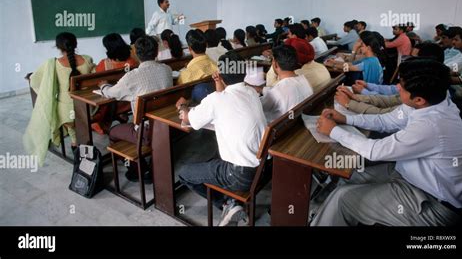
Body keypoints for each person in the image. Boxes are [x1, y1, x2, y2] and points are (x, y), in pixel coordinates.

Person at [313, 59, 462, 226]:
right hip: (412, 175)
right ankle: (329, 215)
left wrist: (333, 131)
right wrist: (346, 118)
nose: (397, 88)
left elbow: (375, 151)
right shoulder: (430, 100)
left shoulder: (432, 125)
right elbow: (385, 121)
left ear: (419, 99)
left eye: (401, 86)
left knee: (342, 199)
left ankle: (333, 215)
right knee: (351, 175)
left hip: (434, 204)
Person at [176, 52, 267, 226]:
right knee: (217, 152)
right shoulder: (251, 92)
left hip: (239, 176)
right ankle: (231, 202)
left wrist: (182, 106)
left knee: (184, 173)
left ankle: (227, 204)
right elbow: (224, 102)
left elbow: (190, 120)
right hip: (260, 167)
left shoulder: (216, 100)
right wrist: (220, 83)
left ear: (222, 74)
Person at [99, 36, 173, 181]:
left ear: (137, 54)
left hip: (146, 132)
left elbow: (111, 93)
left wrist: (103, 85)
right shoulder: (166, 69)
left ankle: (138, 170)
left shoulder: (132, 76)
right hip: (166, 124)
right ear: (157, 52)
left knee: (113, 130)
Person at [24, 32, 95, 162]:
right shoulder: (88, 60)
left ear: (58, 47)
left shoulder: (53, 64)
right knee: (74, 117)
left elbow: (35, 81)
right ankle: (82, 147)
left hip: (67, 112)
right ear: (75, 44)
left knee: (61, 111)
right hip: (88, 108)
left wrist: (30, 77)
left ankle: (75, 144)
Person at [93, 33, 139, 135]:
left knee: (101, 98)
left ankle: (99, 122)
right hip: (129, 101)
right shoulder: (133, 62)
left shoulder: (103, 65)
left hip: (113, 103)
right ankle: (120, 116)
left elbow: (97, 81)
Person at [266, 24, 331, 91]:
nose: (287, 35)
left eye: (289, 33)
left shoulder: (296, 77)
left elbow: (270, 87)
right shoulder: (321, 67)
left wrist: (275, 61)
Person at [260, 45, 313, 123]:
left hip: (279, 128)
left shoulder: (277, 91)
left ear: (275, 64)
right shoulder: (304, 80)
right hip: (296, 122)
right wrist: (262, 89)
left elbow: (260, 107)